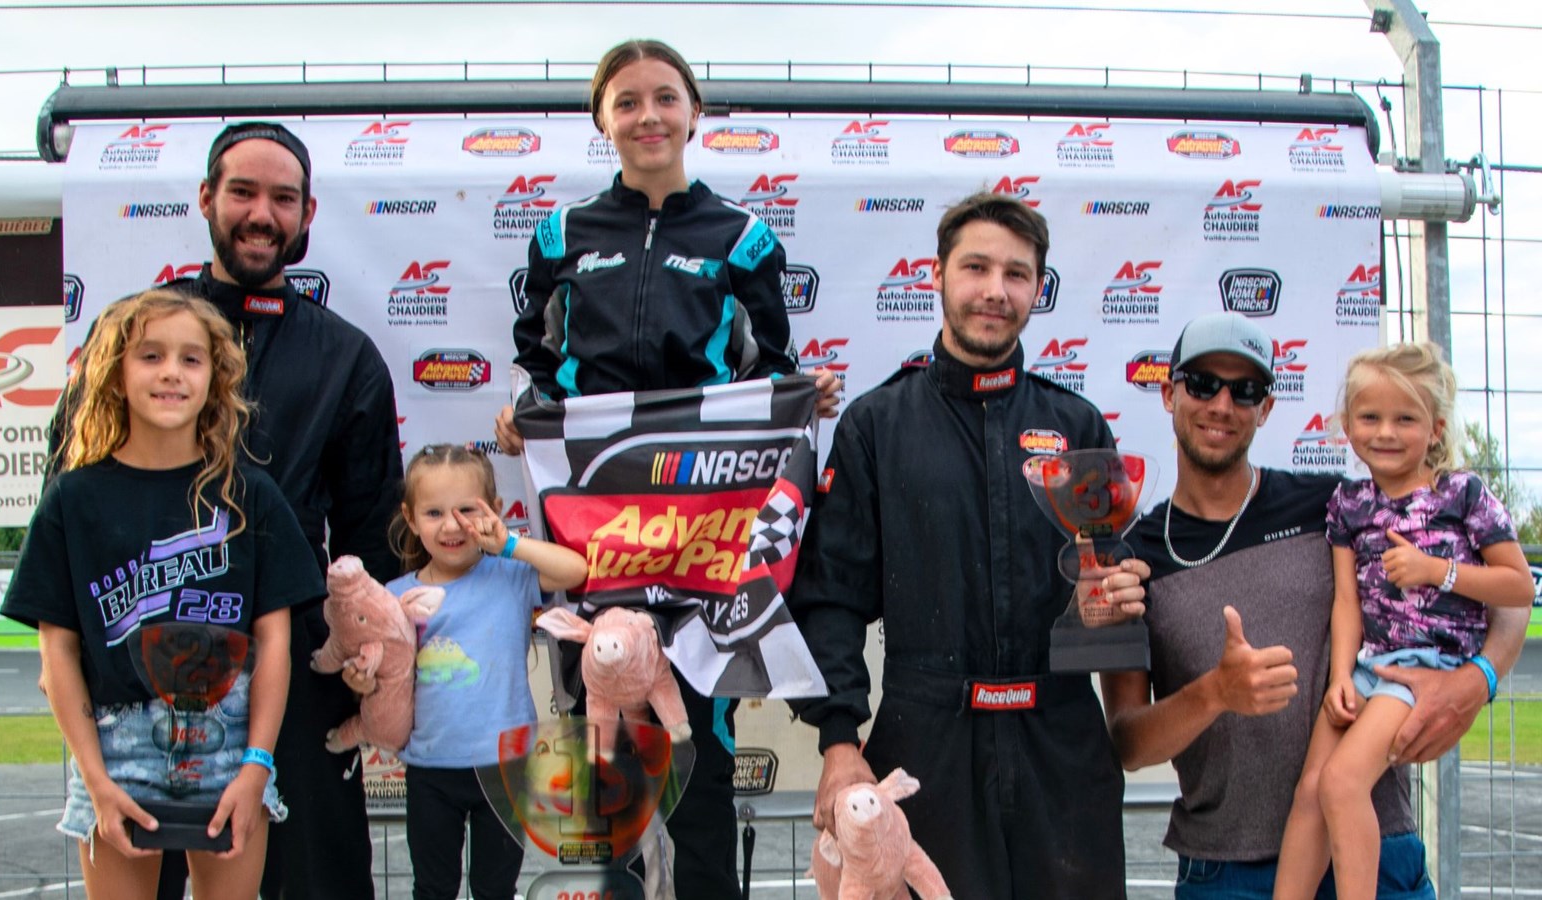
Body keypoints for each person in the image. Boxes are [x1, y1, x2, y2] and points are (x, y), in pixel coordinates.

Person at [492, 39, 837, 897]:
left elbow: (769, 367)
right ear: (602, 119)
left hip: (700, 538)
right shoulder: (560, 233)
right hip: (591, 531)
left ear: (694, 112)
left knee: (699, 758)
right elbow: (533, 352)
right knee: (601, 757)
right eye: (627, 101)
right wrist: (520, 408)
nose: (648, 115)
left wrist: (801, 398)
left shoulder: (744, 238)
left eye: (665, 97)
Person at [50, 121, 401, 900]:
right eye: (243, 192)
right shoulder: (130, 334)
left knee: (314, 878)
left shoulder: (347, 357)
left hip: (295, 666)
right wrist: (69, 656)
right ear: (207, 199)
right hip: (136, 663)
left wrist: (365, 665)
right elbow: (68, 500)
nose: (262, 214)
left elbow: (373, 539)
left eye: (284, 199)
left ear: (307, 217)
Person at [785, 192, 1149, 899]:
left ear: (1038, 290)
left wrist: (1112, 605)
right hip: (928, 744)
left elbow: (1109, 597)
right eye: (975, 267)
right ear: (937, 275)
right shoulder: (875, 426)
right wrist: (837, 743)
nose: (994, 290)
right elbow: (829, 597)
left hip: (1062, 747)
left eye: (1016, 274)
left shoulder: (1075, 423)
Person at [1102, 313, 1530, 900]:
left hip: (1376, 853)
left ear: (1267, 408)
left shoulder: (1336, 505)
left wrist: (1478, 679)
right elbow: (1129, 744)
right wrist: (1217, 693)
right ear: (1169, 392)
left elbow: (1510, 601)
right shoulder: (1138, 560)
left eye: (1245, 389)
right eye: (1202, 383)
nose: (1222, 404)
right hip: (1226, 870)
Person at [3, 290, 324, 899]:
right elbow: (58, 654)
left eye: (191, 359)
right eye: (150, 355)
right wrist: (94, 779)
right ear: (117, 375)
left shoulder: (249, 495)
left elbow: (275, 644)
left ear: (216, 377)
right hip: (115, 749)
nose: (171, 372)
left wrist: (258, 765)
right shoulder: (73, 501)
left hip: (230, 744)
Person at [1272, 343, 1534, 900]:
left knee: (1344, 785)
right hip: (1369, 666)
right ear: (1346, 426)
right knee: (1312, 791)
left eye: (1405, 419)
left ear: (1435, 429)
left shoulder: (1462, 494)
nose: (1386, 432)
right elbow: (1347, 602)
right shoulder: (1348, 503)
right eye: (1370, 417)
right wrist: (1341, 675)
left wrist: (1437, 571)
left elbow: (1518, 585)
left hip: (1427, 666)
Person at [369, 443, 587, 900]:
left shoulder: (511, 575)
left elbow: (574, 569)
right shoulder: (393, 595)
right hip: (430, 768)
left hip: (506, 768)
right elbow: (379, 671)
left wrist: (509, 542)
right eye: (433, 513)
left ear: (494, 509)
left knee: (495, 888)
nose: (452, 526)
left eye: (467, 509)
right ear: (410, 519)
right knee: (433, 888)